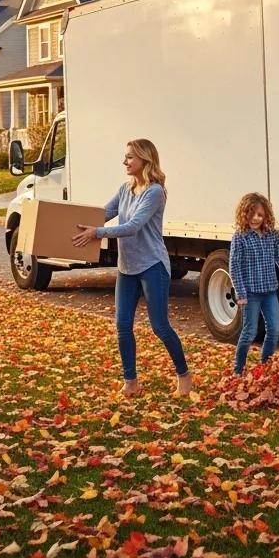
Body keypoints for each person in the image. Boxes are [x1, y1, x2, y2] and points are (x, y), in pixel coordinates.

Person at [73, 139, 192, 398]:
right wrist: (72, 224)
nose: (124, 162)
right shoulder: (125, 189)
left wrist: (97, 233)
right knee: (122, 325)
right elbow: (104, 213)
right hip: (127, 268)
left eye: (129, 157)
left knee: (160, 326)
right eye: (125, 157)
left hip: (152, 266)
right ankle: (131, 382)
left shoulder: (155, 192)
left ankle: (183, 374)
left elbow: (133, 226)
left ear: (144, 160)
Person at [229, 192, 279, 375]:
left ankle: (265, 366)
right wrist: (241, 293)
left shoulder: (272, 235)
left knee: (275, 330)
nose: (255, 218)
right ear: (244, 214)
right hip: (250, 295)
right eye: (251, 214)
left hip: (270, 292)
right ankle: (238, 370)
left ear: (266, 216)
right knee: (250, 332)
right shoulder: (240, 237)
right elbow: (234, 266)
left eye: (260, 215)